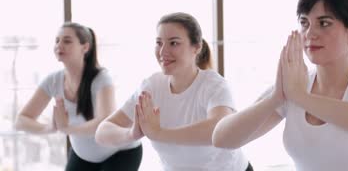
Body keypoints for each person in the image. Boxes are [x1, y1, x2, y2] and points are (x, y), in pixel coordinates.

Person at [212, 0, 348, 171]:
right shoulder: (293, 87)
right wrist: (276, 98)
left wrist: (301, 97)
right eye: (304, 23)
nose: (310, 33)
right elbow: (222, 139)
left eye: (324, 23)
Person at [95, 12, 251, 171]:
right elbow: (102, 132)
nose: (162, 52)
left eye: (173, 43)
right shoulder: (152, 86)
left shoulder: (214, 85)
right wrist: (132, 134)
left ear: (196, 47)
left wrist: (159, 133)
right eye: (159, 43)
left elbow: (219, 129)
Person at [15, 22, 142, 171]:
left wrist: (67, 128)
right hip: (84, 156)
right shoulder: (53, 80)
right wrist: (51, 127)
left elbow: (103, 123)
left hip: (121, 152)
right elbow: (21, 120)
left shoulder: (101, 78)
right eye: (57, 40)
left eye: (67, 41)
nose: (59, 45)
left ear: (85, 47)